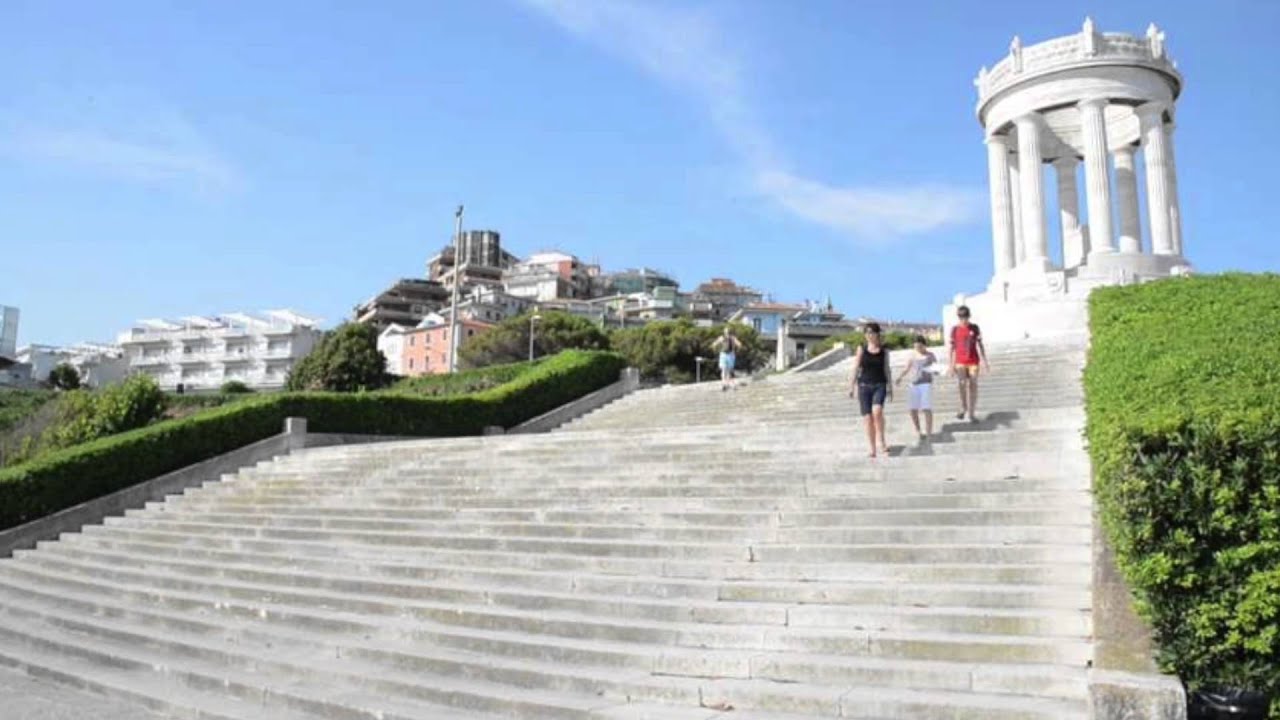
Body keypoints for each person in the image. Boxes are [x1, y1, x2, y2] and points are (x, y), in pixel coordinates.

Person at [849, 322, 892, 458]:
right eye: (867, 332)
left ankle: (882, 441)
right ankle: (872, 448)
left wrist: (890, 387)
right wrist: (851, 386)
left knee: (877, 411)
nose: (869, 335)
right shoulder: (861, 349)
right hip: (864, 386)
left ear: (877, 334)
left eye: (872, 332)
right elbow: (856, 367)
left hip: (880, 384)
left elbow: (887, 369)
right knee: (868, 418)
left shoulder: (884, 351)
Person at [949, 305, 990, 422]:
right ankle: (963, 407)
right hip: (960, 361)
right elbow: (952, 348)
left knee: (973, 384)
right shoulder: (954, 329)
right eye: (961, 317)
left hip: (973, 361)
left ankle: (971, 413)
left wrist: (985, 361)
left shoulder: (975, 328)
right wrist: (951, 365)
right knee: (961, 383)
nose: (963, 319)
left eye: (965, 317)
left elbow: (980, 345)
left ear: (969, 316)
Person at [896, 335, 936, 441]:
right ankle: (918, 430)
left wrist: (937, 370)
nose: (918, 348)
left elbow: (935, 367)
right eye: (916, 346)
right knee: (912, 409)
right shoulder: (912, 356)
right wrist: (900, 377)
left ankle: (928, 433)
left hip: (926, 384)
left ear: (924, 345)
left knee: (926, 408)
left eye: (920, 346)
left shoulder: (930, 355)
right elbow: (906, 368)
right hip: (913, 384)